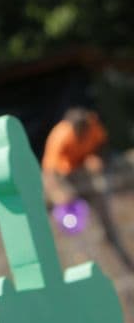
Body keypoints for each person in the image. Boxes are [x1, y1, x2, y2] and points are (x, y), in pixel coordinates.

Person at [41, 107, 134, 270]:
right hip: (67, 176)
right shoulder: (60, 136)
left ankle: (118, 250)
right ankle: (82, 259)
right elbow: (49, 172)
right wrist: (58, 193)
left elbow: (102, 146)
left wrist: (97, 158)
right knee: (75, 221)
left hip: (87, 172)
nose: (82, 134)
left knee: (104, 207)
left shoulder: (93, 125)